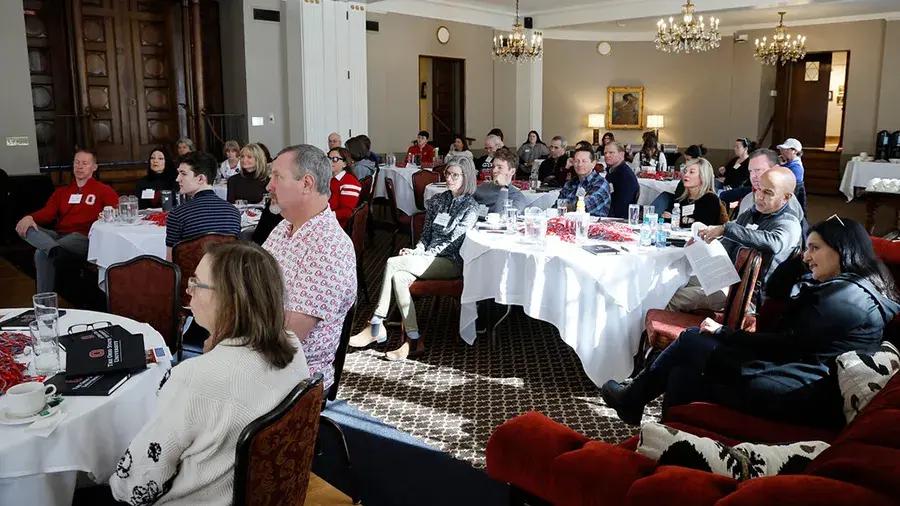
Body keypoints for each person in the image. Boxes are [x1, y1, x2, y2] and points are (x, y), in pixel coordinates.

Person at [602, 216, 900, 429]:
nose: (807, 257)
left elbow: (782, 346)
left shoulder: (845, 297)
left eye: (815, 248)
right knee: (682, 371)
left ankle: (633, 400)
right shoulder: (854, 285)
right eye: (807, 248)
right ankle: (651, 424)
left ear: (842, 249)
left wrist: (723, 333)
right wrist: (802, 261)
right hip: (798, 375)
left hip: (800, 390)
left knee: (693, 340)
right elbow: (779, 298)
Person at [109, 242, 310, 506]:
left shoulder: (194, 378)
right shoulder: (293, 344)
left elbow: (137, 482)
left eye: (197, 283)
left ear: (230, 300)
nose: (189, 291)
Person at [349, 156, 479, 359]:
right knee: (399, 278)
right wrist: (417, 251)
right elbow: (425, 235)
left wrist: (422, 255)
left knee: (393, 262)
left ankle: (375, 323)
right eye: (448, 173)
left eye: (455, 175)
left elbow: (453, 242)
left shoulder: (470, 207)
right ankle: (413, 339)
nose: (450, 178)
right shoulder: (437, 200)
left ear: (466, 177)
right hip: (427, 258)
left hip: (451, 262)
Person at [263, 144, 356, 390]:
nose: (269, 186)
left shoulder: (329, 247)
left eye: (277, 177)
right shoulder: (284, 228)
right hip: (264, 357)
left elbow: (285, 339)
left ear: (306, 183)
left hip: (293, 378)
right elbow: (252, 283)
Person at [667, 167, 802, 313]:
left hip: (748, 295)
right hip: (728, 277)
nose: (759, 196)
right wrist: (702, 246)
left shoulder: (789, 222)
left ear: (786, 197)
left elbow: (774, 243)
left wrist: (726, 229)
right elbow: (727, 244)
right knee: (675, 282)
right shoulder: (752, 214)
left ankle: (656, 333)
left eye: (768, 192)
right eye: (758, 189)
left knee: (675, 297)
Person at [15, 149, 118, 293]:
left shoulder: (104, 190)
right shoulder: (62, 192)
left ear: (94, 167)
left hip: (83, 237)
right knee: (24, 227)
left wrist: (106, 216)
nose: (79, 166)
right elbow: (47, 214)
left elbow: (116, 211)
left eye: (84, 163)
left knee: (41, 252)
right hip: (59, 235)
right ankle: (54, 250)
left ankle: (44, 303)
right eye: (76, 162)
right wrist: (30, 217)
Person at [166, 152, 241, 261]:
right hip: (224, 276)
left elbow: (170, 263)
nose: (178, 179)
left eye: (183, 173)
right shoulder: (233, 212)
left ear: (201, 178)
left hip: (190, 277)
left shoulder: (177, 214)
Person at [662, 158, 725, 228]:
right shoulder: (681, 198)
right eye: (685, 172)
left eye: (691, 172)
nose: (686, 175)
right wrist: (688, 220)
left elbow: (703, 227)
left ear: (703, 176)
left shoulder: (710, 199)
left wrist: (677, 220)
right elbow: (664, 217)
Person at [559, 146, 611, 217]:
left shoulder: (601, 183)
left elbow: (585, 207)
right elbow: (557, 206)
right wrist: (578, 203)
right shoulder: (570, 183)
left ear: (593, 164)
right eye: (577, 161)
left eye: (584, 161)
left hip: (594, 225)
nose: (580, 165)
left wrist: (566, 206)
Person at [473, 147, 528, 213]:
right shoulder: (483, 187)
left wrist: (504, 188)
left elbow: (503, 218)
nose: (494, 170)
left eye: (500, 167)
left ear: (512, 171)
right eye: (493, 166)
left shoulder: (517, 198)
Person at [602, 142, 640, 219]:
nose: (607, 155)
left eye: (611, 152)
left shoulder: (625, 176)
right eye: (605, 153)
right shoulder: (613, 171)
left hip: (617, 219)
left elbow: (622, 207)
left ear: (621, 155)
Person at [328, 147, 361, 229]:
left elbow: (347, 213)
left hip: (335, 226)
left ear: (345, 164)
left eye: (335, 159)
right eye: (328, 158)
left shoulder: (349, 182)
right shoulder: (330, 178)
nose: (330, 161)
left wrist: (323, 217)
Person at [718, 137, 753, 207]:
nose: (735, 149)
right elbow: (727, 173)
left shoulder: (749, 162)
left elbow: (743, 180)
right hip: (726, 185)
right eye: (734, 146)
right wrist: (723, 172)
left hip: (737, 189)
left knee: (720, 195)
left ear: (745, 149)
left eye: (737, 147)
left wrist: (725, 180)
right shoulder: (734, 160)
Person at [777, 138, 806, 216]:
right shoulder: (787, 162)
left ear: (795, 151)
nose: (782, 152)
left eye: (786, 150)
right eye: (782, 149)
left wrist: (778, 166)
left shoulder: (796, 168)